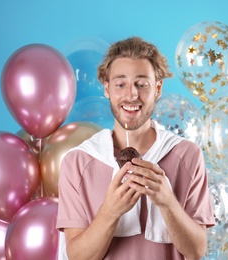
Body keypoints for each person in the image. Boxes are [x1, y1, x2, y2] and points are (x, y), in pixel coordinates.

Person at [56, 36, 215, 260]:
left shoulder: (188, 155)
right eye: (120, 84)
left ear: (158, 89)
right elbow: (77, 257)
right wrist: (110, 211)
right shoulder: (78, 161)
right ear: (107, 88)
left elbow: (197, 251)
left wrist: (168, 202)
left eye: (142, 84)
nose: (131, 95)